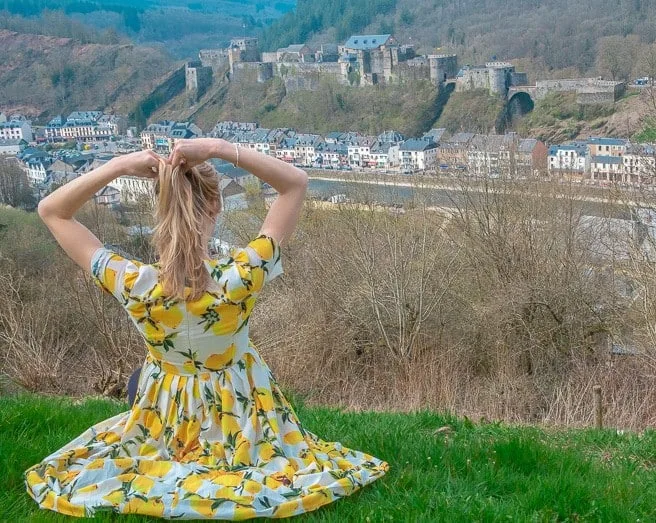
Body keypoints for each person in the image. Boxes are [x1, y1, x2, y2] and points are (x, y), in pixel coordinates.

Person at [24, 139, 389, 518]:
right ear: (215, 205)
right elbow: (295, 183)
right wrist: (216, 148)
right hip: (241, 411)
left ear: (160, 208)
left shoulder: (135, 282)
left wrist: (119, 165)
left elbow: (52, 211)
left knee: (140, 382)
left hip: (164, 409)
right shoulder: (240, 275)